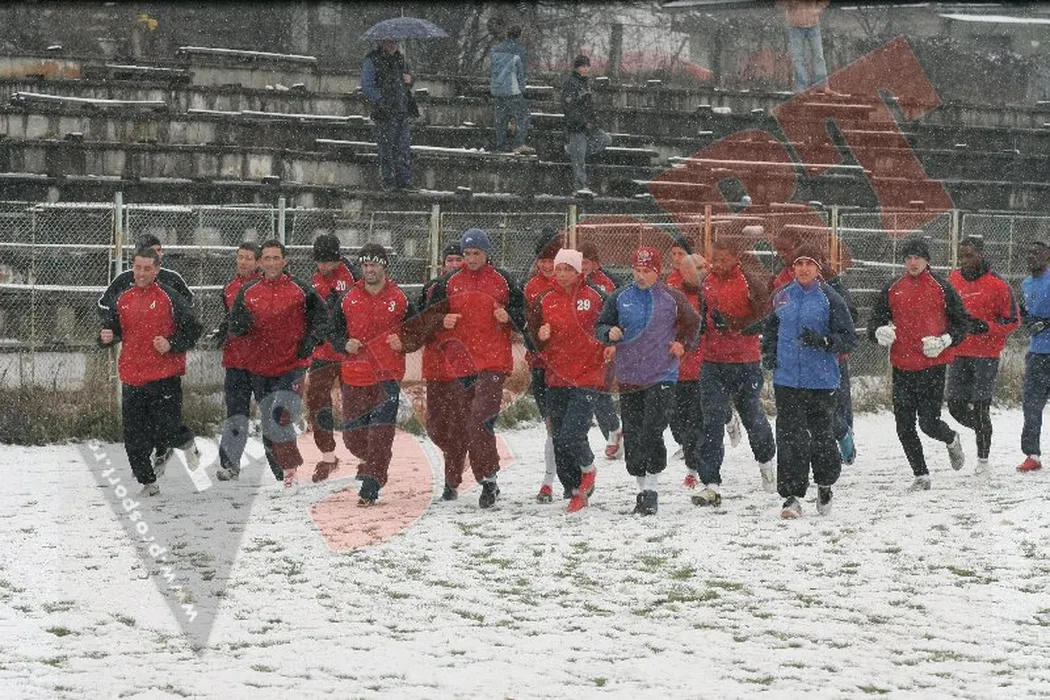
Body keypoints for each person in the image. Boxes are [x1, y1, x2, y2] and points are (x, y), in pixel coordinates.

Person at [421, 228, 526, 508]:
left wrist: (509, 317)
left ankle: (487, 480)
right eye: (466, 253)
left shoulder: (503, 280)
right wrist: (441, 321)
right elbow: (427, 318)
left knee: (479, 421)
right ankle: (460, 478)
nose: (470, 258)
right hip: (462, 364)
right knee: (462, 425)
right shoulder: (449, 282)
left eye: (476, 253)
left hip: (493, 363)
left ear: (486, 253)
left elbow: (525, 315)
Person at [595, 246, 701, 516]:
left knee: (652, 429)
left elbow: (694, 323)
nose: (641, 276)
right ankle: (641, 489)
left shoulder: (672, 297)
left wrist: (682, 343)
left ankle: (652, 489)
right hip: (630, 375)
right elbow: (601, 325)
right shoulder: (620, 297)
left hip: (662, 374)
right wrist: (609, 333)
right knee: (633, 432)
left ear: (657, 271)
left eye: (647, 271)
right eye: (637, 270)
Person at [98, 247, 202, 497]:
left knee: (165, 430)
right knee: (134, 436)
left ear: (156, 270)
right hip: (132, 375)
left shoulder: (170, 297)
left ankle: (186, 441)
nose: (141, 273)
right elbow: (113, 328)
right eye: (137, 268)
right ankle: (148, 482)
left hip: (164, 376)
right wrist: (105, 337)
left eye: (147, 268)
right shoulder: (123, 297)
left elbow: (194, 328)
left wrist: (171, 343)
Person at [762, 245, 857, 518]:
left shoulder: (830, 298)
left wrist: (824, 342)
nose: (804, 269)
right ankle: (791, 497)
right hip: (787, 379)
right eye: (799, 264)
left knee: (822, 436)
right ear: (792, 268)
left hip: (822, 380)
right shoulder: (782, 296)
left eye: (809, 264)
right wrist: (769, 353)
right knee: (790, 436)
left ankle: (825, 484)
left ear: (818, 268)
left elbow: (849, 338)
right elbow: (770, 329)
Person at [868, 237, 969, 490]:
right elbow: (874, 322)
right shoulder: (893, 288)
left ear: (927, 261)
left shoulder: (942, 288)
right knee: (903, 426)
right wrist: (878, 332)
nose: (913, 263)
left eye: (918, 258)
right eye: (909, 258)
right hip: (902, 366)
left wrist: (945, 340)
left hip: (932, 366)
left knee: (928, 423)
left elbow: (962, 324)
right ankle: (921, 475)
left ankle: (951, 438)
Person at [228, 239, 328, 490]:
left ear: (285, 261)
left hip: (293, 364)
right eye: (267, 258)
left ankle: (289, 471)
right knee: (269, 423)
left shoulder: (301, 289)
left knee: (280, 417)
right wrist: (239, 327)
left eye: (276, 258)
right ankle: (281, 472)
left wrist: (310, 342)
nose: (271, 263)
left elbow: (322, 319)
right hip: (260, 366)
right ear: (260, 263)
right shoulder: (248, 291)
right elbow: (235, 323)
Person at [329, 243, 420, 505]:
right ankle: (375, 462)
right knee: (353, 437)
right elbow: (332, 332)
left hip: (387, 376)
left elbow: (418, 331)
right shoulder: (348, 299)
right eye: (365, 265)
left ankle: (372, 484)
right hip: (354, 375)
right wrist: (343, 344)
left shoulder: (400, 299)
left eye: (374, 265)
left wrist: (404, 343)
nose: (369, 270)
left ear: (384, 266)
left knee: (380, 432)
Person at [692, 239, 777, 508]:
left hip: (745, 361)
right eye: (714, 260)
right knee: (711, 420)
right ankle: (711, 483)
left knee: (752, 416)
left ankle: (766, 462)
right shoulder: (706, 282)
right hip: (713, 361)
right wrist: (697, 330)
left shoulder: (750, 282)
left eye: (723, 260)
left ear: (736, 258)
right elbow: (702, 314)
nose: (718, 265)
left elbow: (765, 319)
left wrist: (733, 323)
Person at [528, 248, 607, 513]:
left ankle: (588, 469)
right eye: (559, 269)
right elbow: (532, 336)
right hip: (556, 377)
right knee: (559, 439)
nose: (561, 274)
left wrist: (611, 342)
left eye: (568, 269)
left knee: (573, 434)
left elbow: (611, 323)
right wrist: (540, 336)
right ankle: (575, 490)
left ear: (578, 271)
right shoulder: (545, 299)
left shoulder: (595, 296)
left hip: (587, 375)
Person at [947, 237, 1019, 475]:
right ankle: (982, 429)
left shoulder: (998, 284)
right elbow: (945, 312)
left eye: (969, 255)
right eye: (961, 256)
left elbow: (1013, 321)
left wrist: (986, 326)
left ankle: (983, 460)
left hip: (986, 355)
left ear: (981, 254)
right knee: (955, 405)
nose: (964, 261)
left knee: (981, 407)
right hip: (959, 352)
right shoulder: (953, 280)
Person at [418, 241, 469, 500]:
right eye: (450, 260)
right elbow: (418, 322)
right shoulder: (432, 288)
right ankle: (457, 454)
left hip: (463, 368)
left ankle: (452, 480)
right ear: (443, 264)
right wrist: (440, 321)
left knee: (457, 426)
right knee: (435, 427)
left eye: (459, 259)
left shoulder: (471, 288)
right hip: (436, 365)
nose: (454, 264)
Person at [306, 234, 357, 482]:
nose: (323, 266)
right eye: (319, 261)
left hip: (348, 351)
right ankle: (328, 456)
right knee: (317, 401)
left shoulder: (352, 276)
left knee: (355, 403)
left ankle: (366, 456)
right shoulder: (314, 279)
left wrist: (339, 309)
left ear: (338, 258)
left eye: (327, 261)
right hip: (323, 351)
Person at [215, 242, 261, 481]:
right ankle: (230, 463)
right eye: (240, 257)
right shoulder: (230, 288)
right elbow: (229, 317)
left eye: (248, 258)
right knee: (236, 414)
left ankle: (283, 465)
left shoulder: (264, 286)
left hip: (263, 362)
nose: (243, 262)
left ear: (258, 262)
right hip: (235, 361)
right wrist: (223, 330)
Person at [524, 230, 564, 502]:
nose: (547, 265)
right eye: (542, 260)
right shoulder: (531, 287)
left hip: (568, 366)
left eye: (552, 260)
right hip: (541, 365)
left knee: (568, 427)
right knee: (551, 425)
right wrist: (536, 339)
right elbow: (527, 325)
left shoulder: (571, 284)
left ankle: (575, 475)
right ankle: (548, 481)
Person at [665, 237, 707, 489]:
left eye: (703, 267)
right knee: (676, 422)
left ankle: (694, 470)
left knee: (695, 423)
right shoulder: (671, 291)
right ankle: (690, 454)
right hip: (676, 368)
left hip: (703, 369)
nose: (701, 272)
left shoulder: (710, 293)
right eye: (696, 268)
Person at [579, 240, 624, 460]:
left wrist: (613, 341)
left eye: (586, 263)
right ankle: (614, 433)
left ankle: (614, 434)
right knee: (592, 392)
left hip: (604, 346)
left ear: (596, 263)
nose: (582, 267)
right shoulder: (574, 282)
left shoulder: (609, 283)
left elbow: (618, 312)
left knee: (598, 390)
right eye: (579, 263)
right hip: (582, 346)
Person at [361, 38, 418, 191]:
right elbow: (367, 86)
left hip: (402, 109)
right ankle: (388, 180)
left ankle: (404, 181)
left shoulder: (401, 60)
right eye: (389, 41)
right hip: (385, 112)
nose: (392, 45)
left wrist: (410, 80)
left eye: (395, 42)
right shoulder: (372, 60)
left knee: (403, 148)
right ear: (382, 42)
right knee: (386, 148)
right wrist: (382, 100)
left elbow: (409, 81)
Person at [1018, 241, 1050, 472]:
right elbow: (1027, 313)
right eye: (1028, 253)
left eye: (1036, 253)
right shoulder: (1026, 284)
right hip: (1037, 353)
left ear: (1047, 256)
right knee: (1031, 405)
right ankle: (1032, 455)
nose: (1031, 257)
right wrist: (1026, 319)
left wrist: (1046, 323)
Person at [562, 54, 612, 196]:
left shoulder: (586, 83)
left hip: (588, 125)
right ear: (576, 67)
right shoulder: (571, 83)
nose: (585, 69)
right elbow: (569, 107)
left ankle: (572, 150)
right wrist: (582, 122)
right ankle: (580, 187)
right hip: (576, 127)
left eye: (587, 66)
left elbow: (589, 107)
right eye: (582, 66)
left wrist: (593, 122)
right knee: (579, 160)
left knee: (605, 139)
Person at [489, 25, 535, 155]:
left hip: (497, 90)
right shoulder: (519, 50)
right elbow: (521, 73)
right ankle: (518, 144)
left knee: (501, 120)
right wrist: (522, 89)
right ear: (519, 35)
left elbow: (492, 71)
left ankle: (500, 145)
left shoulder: (496, 49)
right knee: (524, 117)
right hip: (512, 90)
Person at [777, 0, 830, 93]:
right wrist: (791, 5)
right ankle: (802, 88)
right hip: (795, 25)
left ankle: (821, 86)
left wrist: (818, 9)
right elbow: (780, 4)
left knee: (818, 56)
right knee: (799, 58)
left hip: (813, 24)